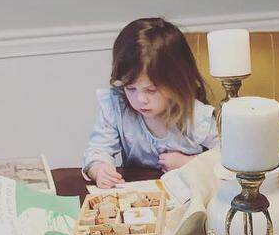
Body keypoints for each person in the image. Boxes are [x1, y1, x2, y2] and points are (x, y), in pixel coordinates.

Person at [83, 17, 218, 189]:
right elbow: (97, 149)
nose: (140, 99)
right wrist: (100, 169)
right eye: (130, 88)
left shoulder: (196, 115)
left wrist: (189, 163)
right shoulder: (117, 106)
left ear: (177, 81)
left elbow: (229, 160)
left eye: (151, 90)